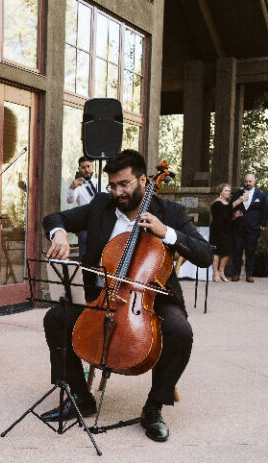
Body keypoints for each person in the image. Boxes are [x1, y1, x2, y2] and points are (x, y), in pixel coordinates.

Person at [41, 150, 213, 442]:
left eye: (124, 184)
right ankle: (79, 397)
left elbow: (205, 256)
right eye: (112, 185)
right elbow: (53, 217)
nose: (117, 192)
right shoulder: (100, 206)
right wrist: (58, 233)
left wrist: (166, 233)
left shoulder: (170, 212)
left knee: (180, 332)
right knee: (55, 319)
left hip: (151, 297)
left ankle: (153, 407)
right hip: (104, 295)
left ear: (143, 179)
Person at [230, 173, 268, 282]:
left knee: (250, 251)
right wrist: (234, 215)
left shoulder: (262, 195)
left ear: (254, 181)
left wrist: (262, 225)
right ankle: (235, 274)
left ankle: (249, 274)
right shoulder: (237, 194)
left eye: (250, 181)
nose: (248, 184)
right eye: (246, 181)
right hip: (238, 228)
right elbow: (231, 208)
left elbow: (265, 212)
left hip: (253, 228)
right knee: (237, 250)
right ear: (243, 182)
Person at [66, 156, 97, 260]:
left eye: (88, 166)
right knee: (84, 235)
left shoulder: (100, 182)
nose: (86, 170)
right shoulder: (78, 184)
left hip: (99, 220)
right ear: (79, 169)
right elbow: (70, 200)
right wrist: (72, 188)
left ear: (92, 167)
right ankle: (83, 265)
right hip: (86, 222)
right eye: (83, 167)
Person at [209, 183, 235, 282]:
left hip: (227, 231)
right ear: (220, 192)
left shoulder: (227, 203)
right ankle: (215, 273)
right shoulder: (217, 203)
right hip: (218, 231)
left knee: (227, 251)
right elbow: (221, 218)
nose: (228, 192)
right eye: (226, 190)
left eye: (229, 191)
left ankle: (221, 271)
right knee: (217, 252)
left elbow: (227, 217)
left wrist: (234, 216)